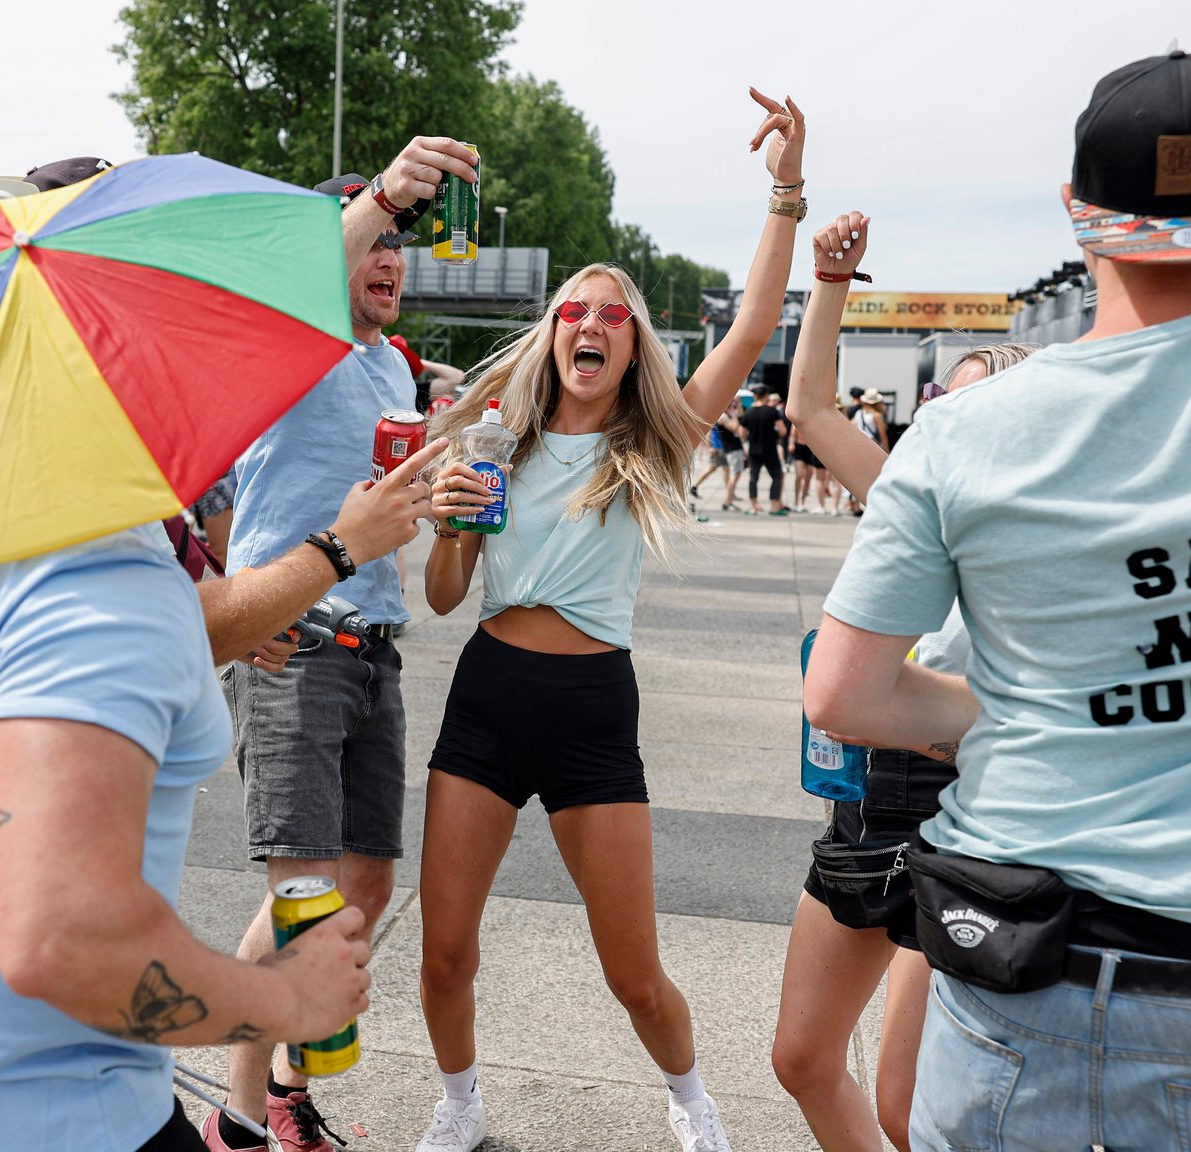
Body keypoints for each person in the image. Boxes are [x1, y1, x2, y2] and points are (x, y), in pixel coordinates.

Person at [0, 150, 450, 1152]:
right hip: (56, 1121)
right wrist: (279, 1001)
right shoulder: (105, 584)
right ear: (141, 339)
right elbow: (61, 943)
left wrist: (16, 814)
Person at [806, 32, 1191, 1151]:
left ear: (1077, 214)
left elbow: (842, 692)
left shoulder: (964, 434)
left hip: (1012, 965)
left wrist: (1033, 710)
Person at [413, 88, 810, 1152]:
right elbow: (444, 598)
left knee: (631, 973)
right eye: (574, 313)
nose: (590, 324)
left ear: (631, 345)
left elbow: (759, 323)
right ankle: (458, 1105)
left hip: (592, 708)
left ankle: (691, 1103)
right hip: (487, 697)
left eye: (611, 314)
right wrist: (452, 525)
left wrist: (783, 192)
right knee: (443, 953)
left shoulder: (660, 439)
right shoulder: (495, 439)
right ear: (551, 336)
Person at [208, 138, 479, 1152]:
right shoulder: (294, 337)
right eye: (373, 242)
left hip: (375, 649)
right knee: (301, 900)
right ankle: (235, 1120)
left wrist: (448, 478)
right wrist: (378, 192)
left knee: (360, 892)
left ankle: (286, 1090)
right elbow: (315, 265)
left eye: (401, 246)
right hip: (295, 646)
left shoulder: (390, 366)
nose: (391, 257)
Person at [773, 213, 1040, 1152]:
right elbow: (807, 411)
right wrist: (829, 282)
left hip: (953, 819)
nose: (936, 423)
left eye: (960, 409)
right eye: (936, 406)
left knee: (908, 1105)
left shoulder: (1038, 548)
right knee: (802, 1059)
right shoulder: (906, 496)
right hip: (861, 800)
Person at [738, 385, 789, 515]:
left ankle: (754, 506)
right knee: (777, 476)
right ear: (766, 396)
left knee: (753, 478)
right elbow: (783, 431)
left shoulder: (748, 413)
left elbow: (742, 434)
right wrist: (774, 435)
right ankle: (774, 506)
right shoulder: (772, 412)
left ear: (755, 396)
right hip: (770, 449)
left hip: (754, 449)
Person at [689, 401, 746, 511]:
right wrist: (710, 446)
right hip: (718, 447)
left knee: (722, 469)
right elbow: (709, 432)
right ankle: (695, 486)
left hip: (721, 447)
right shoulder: (721, 416)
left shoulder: (722, 415)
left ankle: (729, 492)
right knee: (714, 468)